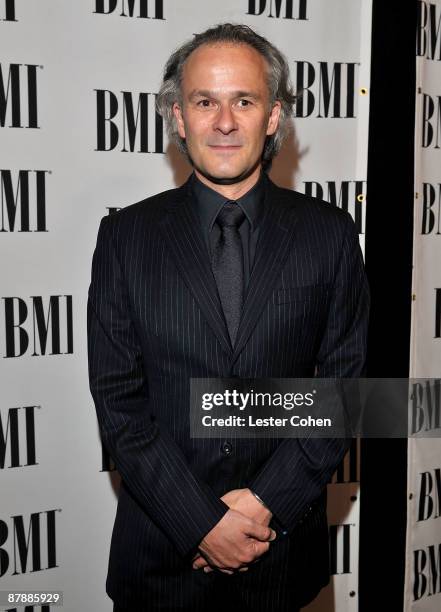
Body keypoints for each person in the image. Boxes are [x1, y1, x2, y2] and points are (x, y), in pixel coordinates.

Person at [87, 23, 369, 612]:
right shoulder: (124, 238)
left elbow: (343, 394)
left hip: (281, 561)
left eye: (243, 100)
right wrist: (201, 524)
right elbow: (120, 404)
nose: (223, 122)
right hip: (161, 565)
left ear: (273, 117)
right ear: (177, 117)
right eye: (204, 101)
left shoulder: (331, 235)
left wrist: (263, 504)